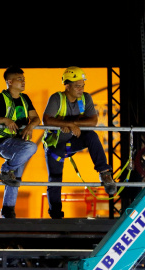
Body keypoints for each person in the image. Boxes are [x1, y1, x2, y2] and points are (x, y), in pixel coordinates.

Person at [42, 66, 117, 219]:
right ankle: (56, 215)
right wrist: (73, 125)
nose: (81, 89)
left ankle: (105, 174)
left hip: (72, 142)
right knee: (55, 179)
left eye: (83, 85)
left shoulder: (85, 98)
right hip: (56, 145)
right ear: (67, 86)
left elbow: (93, 121)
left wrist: (70, 124)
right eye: (77, 86)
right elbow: (47, 120)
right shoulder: (57, 98)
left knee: (92, 136)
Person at [0, 66, 40, 218]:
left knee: (16, 176)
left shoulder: (25, 99)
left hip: (19, 142)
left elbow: (36, 118)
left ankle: (7, 210)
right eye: (20, 79)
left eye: (24, 79)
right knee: (31, 147)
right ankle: (6, 170)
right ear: (10, 82)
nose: (23, 82)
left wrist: (30, 127)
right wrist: (5, 120)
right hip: (4, 142)